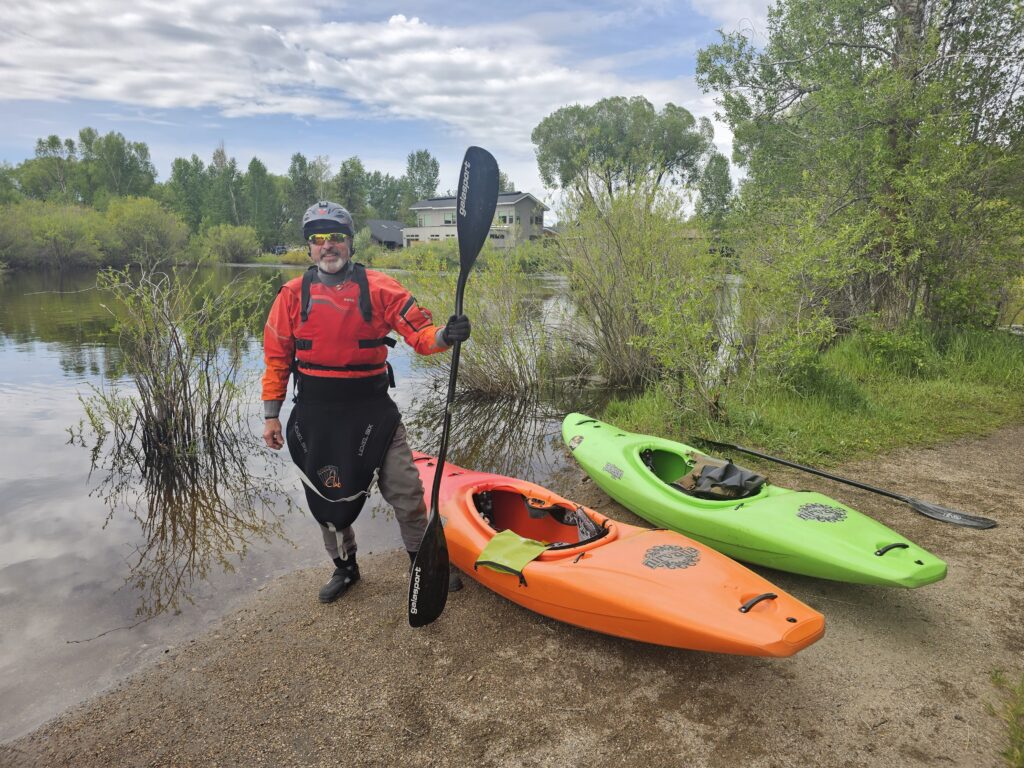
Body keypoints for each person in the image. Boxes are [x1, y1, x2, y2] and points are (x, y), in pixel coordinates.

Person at [261, 201, 469, 603]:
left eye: (336, 237)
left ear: (351, 244)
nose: (328, 245)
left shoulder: (380, 288)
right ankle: (346, 568)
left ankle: (421, 564)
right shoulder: (290, 296)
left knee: (407, 492)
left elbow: (421, 336)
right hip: (316, 417)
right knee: (328, 503)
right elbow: (275, 359)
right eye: (318, 239)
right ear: (309, 249)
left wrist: (448, 334)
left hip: (373, 412)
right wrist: (272, 416)